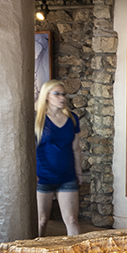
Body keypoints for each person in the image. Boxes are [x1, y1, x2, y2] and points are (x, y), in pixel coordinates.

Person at [35, 80, 82, 237]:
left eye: (63, 94)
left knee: (72, 220)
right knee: (41, 220)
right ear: (47, 96)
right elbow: (30, 149)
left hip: (66, 175)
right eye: (57, 94)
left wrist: (78, 173)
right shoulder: (38, 120)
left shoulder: (72, 118)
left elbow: (75, 148)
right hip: (42, 176)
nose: (61, 98)